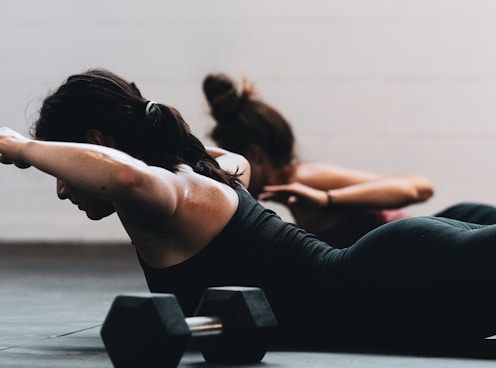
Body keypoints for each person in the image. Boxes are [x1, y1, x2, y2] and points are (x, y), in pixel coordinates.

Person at [2, 69, 496, 350]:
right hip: (396, 283)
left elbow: (125, 175)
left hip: (391, 285)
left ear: (96, 144)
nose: (63, 189)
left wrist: (20, 148)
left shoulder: (169, 195)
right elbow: (145, 163)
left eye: (62, 168)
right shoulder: (216, 170)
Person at [202, 73, 496, 248]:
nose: (227, 174)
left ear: (254, 154)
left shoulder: (305, 179)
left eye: (230, 162)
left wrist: (328, 199)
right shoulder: (295, 193)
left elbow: (418, 188)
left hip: (455, 231)